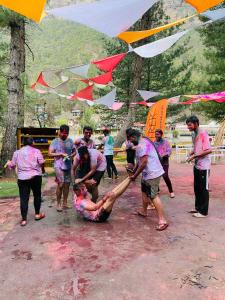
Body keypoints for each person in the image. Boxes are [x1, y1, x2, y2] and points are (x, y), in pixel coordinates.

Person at [127, 129, 168, 231]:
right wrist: (134, 172)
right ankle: (144, 211)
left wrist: (135, 176)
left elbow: (144, 162)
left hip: (152, 173)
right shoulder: (142, 142)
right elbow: (139, 161)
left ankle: (163, 221)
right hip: (147, 174)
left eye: (130, 140)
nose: (131, 142)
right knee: (144, 192)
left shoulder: (142, 144)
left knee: (153, 196)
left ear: (133, 137)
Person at [5, 137, 45, 226]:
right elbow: (41, 163)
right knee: (37, 195)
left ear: (23, 143)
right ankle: (37, 214)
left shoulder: (17, 153)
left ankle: (24, 220)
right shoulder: (37, 151)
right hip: (36, 177)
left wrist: (8, 163)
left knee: (24, 198)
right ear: (32, 143)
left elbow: (12, 165)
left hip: (22, 178)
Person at [186, 116, 212, 218]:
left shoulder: (203, 133)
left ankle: (203, 212)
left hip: (204, 166)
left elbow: (208, 150)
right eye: (187, 125)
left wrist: (194, 156)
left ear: (196, 123)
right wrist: (191, 152)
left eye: (190, 125)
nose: (188, 127)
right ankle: (198, 208)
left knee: (203, 189)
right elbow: (197, 147)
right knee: (197, 188)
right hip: (197, 165)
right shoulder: (194, 134)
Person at [48, 124, 75, 212]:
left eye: (66, 133)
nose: (64, 135)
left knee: (67, 185)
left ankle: (65, 203)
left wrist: (72, 155)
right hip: (58, 165)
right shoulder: (55, 141)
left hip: (68, 165)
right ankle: (58, 204)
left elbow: (75, 151)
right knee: (61, 184)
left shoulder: (70, 141)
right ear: (60, 132)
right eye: (63, 133)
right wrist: (60, 154)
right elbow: (50, 153)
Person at [154, 129, 175, 198]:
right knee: (156, 176)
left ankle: (171, 191)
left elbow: (169, 151)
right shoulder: (154, 142)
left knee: (165, 176)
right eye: (155, 134)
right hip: (157, 163)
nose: (156, 135)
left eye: (158, 134)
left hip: (165, 162)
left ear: (161, 135)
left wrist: (164, 155)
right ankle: (157, 190)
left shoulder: (166, 142)